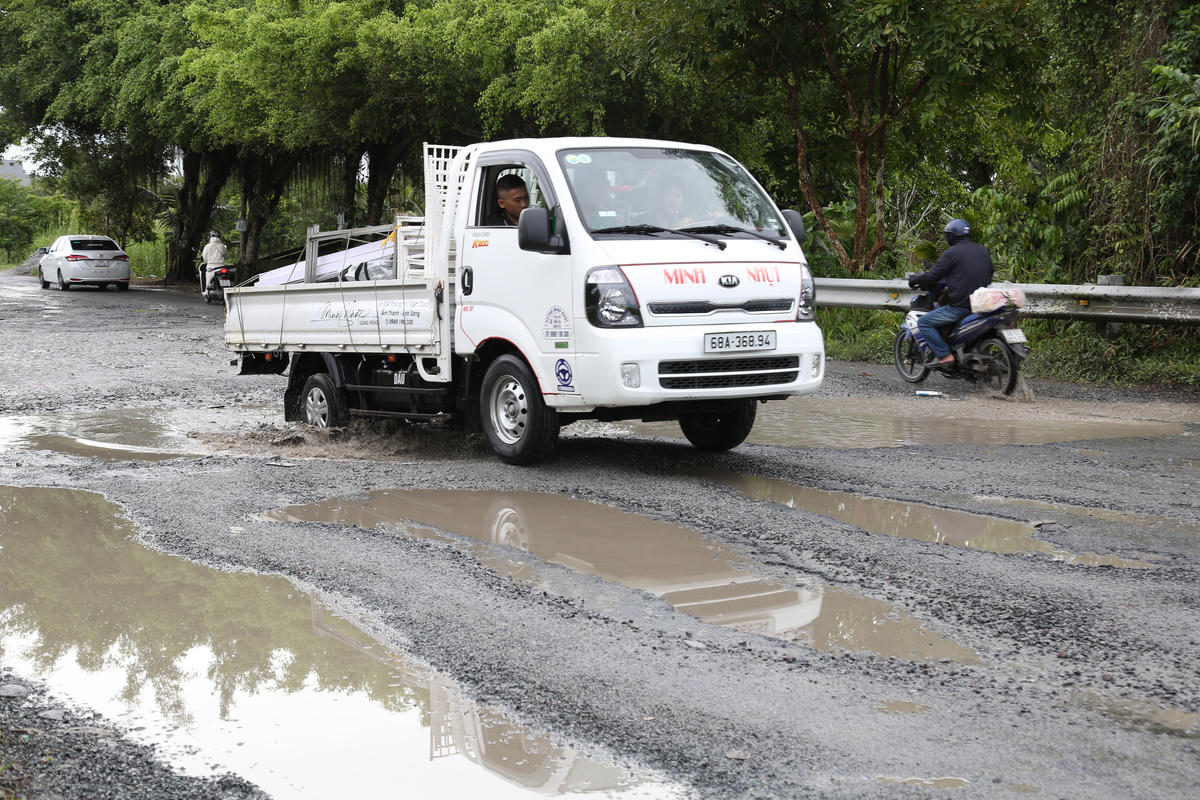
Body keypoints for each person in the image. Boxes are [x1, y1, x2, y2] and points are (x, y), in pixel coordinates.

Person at [908, 218, 993, 365]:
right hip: (983, 303)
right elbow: (989, 272)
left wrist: (915, 280)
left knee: (924, 323)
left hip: (962, 306)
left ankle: (944, 355)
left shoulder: (952, 253)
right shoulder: (982, 250)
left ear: (951, 236)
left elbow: (933, 274)